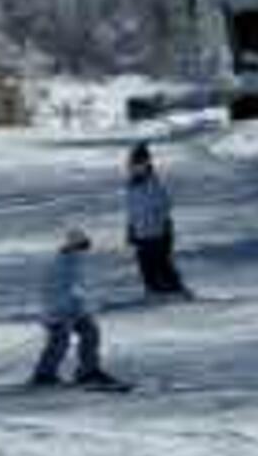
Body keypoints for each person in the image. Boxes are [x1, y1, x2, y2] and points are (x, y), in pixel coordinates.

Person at [30, 228, 119, 386]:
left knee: (91, 332)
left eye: (86, 245)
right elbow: (57, 290)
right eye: (83, 246)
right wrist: (66, 310)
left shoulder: (75, 261)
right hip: (58, 311)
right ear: (73, 246)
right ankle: (44, 374)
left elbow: (79, 288)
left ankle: (88, 370)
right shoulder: (63, 263)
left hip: (73, 310)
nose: (86, 249)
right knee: (60, 341)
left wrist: (85, 306)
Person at [124, 143, 192, 297]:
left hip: (158, 233)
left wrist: (162, 225)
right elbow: (131, 211)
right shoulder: (131, 186)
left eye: (139, 164)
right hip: (141, 234)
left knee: (162, 266)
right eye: (133, 165)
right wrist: (130, 229)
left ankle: (178, 292)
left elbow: (166, 205)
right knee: (146, 269)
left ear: (147, 164)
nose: (135, 168)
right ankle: (153, 293)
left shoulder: (154, 184)